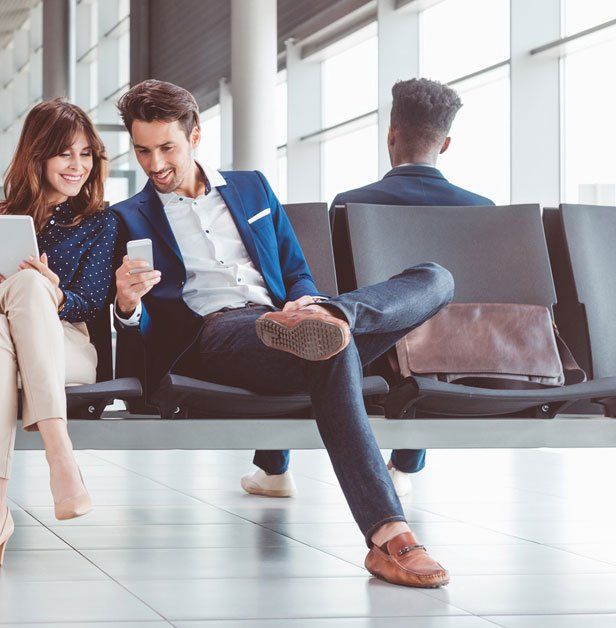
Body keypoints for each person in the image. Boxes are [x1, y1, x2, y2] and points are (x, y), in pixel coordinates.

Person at [111, 79, 453, 588]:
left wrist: (311, 302)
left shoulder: (252, 188)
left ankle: (333, 317)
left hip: (292, 323)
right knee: (328, 350)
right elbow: (141, 326)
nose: (155, 163)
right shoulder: (127, 217)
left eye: (167, 148)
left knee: (435, 277)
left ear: (196, 135)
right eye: (142, 151)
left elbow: (296, 270)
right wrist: (126, 305)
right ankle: (391, 536)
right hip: (218, 335)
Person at [0, 99, 117, 574]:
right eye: (64, 154)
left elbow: (93, 303)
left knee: (23, 299)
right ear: (37, 156)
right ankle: (61, 458)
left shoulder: (101, 223)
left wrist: (53, 293)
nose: (77, 166)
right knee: (1, 311)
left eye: (86, 154)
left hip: (64, 347)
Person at [331, 78, 493, 498]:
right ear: (446, 144)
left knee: (313, 322)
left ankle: (274, 469)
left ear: (391, 133)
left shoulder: (351, 203)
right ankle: (405, 464)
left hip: (367, 355)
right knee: (427, 332)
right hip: (460, 359)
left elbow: (339, 288)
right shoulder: (483, 210)